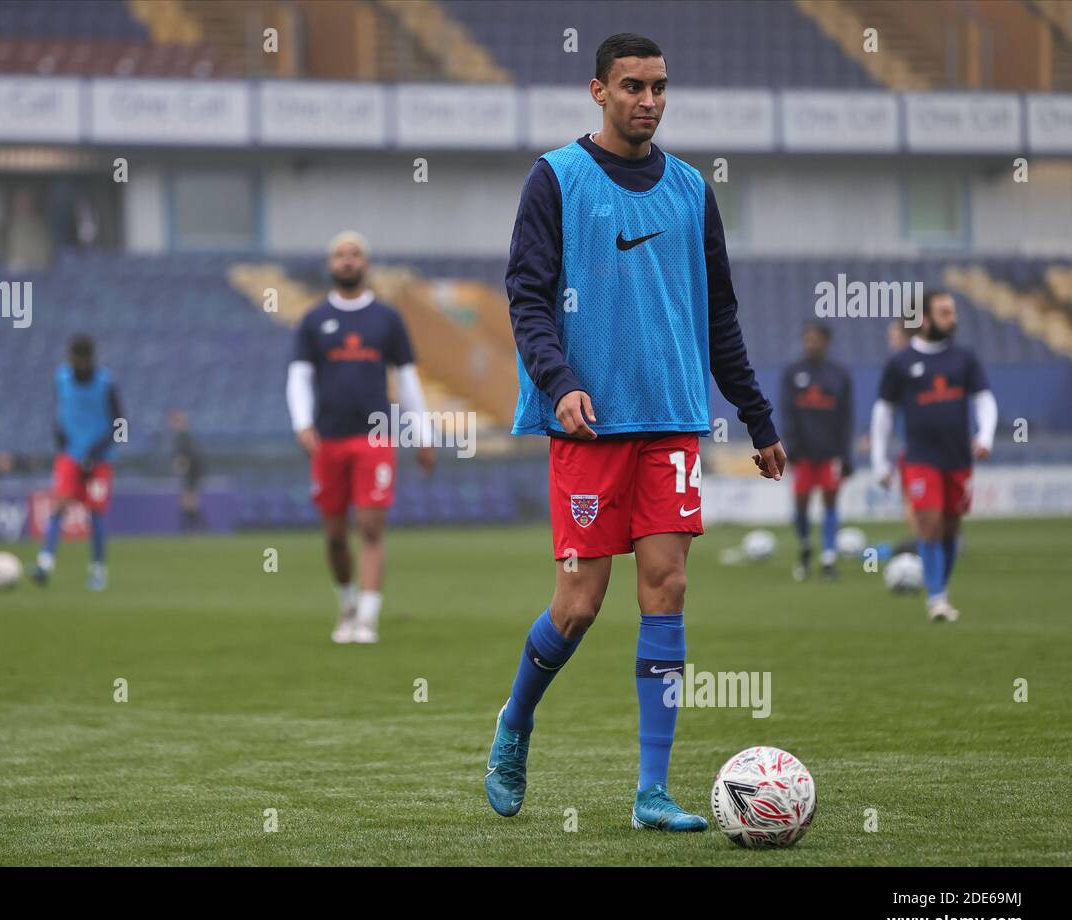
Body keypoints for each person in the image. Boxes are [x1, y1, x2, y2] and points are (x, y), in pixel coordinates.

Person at [485, 34, 786, 831]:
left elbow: (719, 313)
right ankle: (516, 721)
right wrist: (562, 382)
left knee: (669, 588)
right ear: (598, 90)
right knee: (579, 604)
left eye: (658, 86)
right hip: (588, 425)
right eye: (632, 86)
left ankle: (653, 792)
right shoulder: (555, 179)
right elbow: (527, 296)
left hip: (673, 422)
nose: (648, 99)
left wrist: (757, 417)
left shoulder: (690, 189)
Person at [285, 231, 435, 645]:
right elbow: (298, 376)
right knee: (335, 535)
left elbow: (407, 380)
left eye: (354, 254)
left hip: (375, 437)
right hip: (328, 439)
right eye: (340, 254)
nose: (347, 260)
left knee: (370, 525)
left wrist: (422, 434)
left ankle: (367, 618)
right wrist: (302, 423)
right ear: (331, 264)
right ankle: (347, 603)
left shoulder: (386, 319)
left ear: (365, 263)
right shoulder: (313, 321)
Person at [871, 291, 996, 622]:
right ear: (924, 319)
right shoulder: (900, 363)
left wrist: (984, 436)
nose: (952, 318)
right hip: (920, 457)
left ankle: (940, 586)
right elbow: (883, 411)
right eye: (944, 312)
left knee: (951, 528)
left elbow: (985, 399)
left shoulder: (964, 359)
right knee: (928, 522)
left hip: (958, 458)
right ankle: (937, 598)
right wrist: (879, 460)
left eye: (952, 312)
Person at [31, 335, 123, 591]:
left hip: (100, 459)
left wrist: (100, 450)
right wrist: (61, 439)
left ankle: (98, 571)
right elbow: (60, 413)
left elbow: (120, 423)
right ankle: (44, 564)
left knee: (95, 513)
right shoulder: (61, 378)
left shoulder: (106, 382)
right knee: (58, 505)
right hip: (70, 456)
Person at [780, 322, 852, 580]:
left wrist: (845, 454)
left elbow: (846, 418)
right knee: (801, 505)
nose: (811, 343)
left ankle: (829, 558)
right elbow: (787, 414)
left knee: (830, 502)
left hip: (830, 453)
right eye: (807, 339)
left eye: (815, 339)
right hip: (802, 454)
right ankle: (805, 546)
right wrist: (791, 446)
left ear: (826, 341)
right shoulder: (793, 373)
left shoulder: (839, 375)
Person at [168, 410, 204, 531]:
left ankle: (194, 527)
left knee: (189, 499)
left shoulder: (183, 437)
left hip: (190, 473)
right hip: (191, 472)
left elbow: (185, 457)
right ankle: (192, 527)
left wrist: (180, 467)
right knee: (187, 499)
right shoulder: (183, 437)